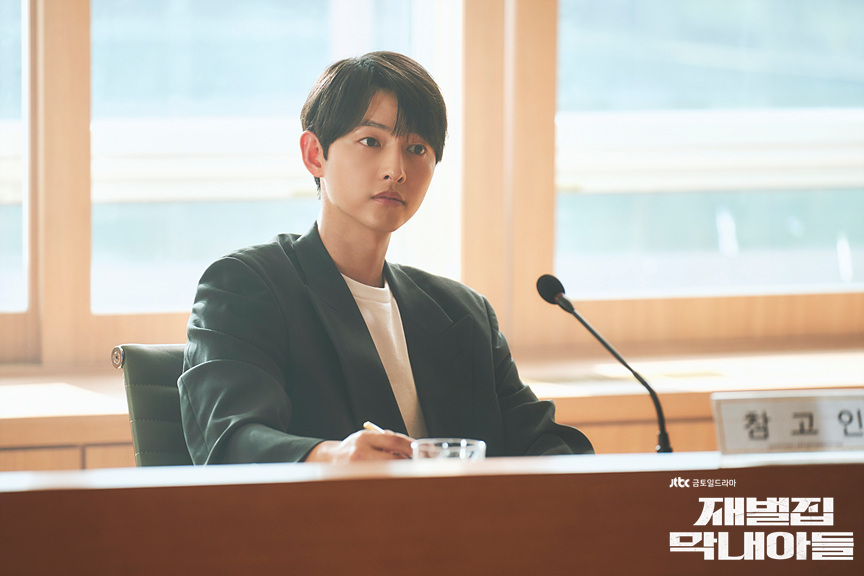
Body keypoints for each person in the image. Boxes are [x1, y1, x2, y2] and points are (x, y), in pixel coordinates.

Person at [178, 51, 593, 464]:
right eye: (371, 141)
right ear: (315, 154)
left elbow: (549, 445)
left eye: (416, 148)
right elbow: (231, 441)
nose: (396, 170)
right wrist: (331, 457)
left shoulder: (465, 313)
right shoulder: (245, 286)